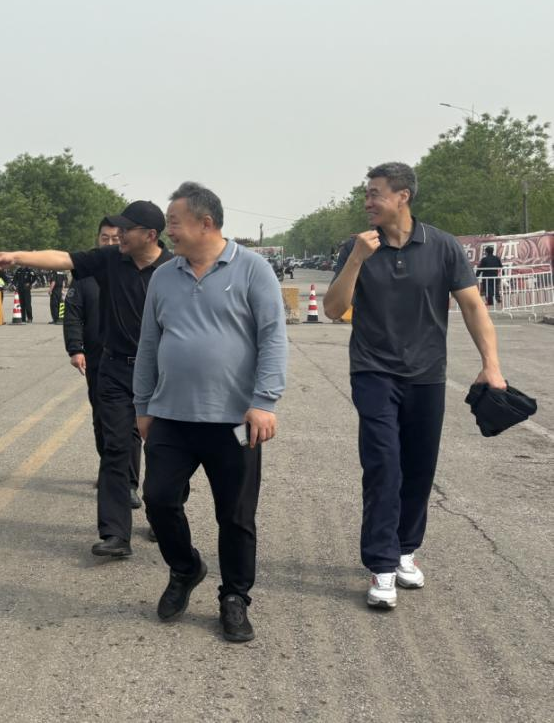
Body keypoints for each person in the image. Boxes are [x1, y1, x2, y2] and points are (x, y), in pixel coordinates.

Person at [324, 162, 507, 610]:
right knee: (383, 464)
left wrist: (491, 365)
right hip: (373, 372)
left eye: (375, 193)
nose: (367, 202)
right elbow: (333, 309)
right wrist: (356, 259)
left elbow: (473, 307)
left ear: (402, 196)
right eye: (367, 194)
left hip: (427, 374)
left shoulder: (442, 246)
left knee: (420, 467)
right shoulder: (355, 246)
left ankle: (405, 548)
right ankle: (382, 563)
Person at [134, 183, 287, 642]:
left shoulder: (253, 269)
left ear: (205, 223)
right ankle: (185, 568)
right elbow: (149, 344)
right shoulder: (164, 276)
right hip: (171, 416)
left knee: (235, 515)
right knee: (159, 499)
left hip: (234, 421)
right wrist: (142, 405)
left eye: (174, 222)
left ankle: (235, 597)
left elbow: (273, 337)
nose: (168, 231)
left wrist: (264, 401)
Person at [0, 200, 172, 558]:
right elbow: (63, 258)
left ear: (150, 235)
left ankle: (164, 520)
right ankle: (115, 534)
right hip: (115, 370)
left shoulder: (174, 269)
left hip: (162, 374)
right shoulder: (111, 259)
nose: (118, 235)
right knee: (115, 449)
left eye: (126, 229)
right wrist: (17, 257)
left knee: (165, 452)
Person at [63, 218, 121, 463]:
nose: (109, 243)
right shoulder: (84, 275)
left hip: (129, 359)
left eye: (115, 238)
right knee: (101, 417)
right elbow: (73, 314)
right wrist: (75, 349)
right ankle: (108, 467)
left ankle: (125, 478)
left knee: (128, 424)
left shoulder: (132, 270)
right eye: (104, 238)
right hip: (97, 358)